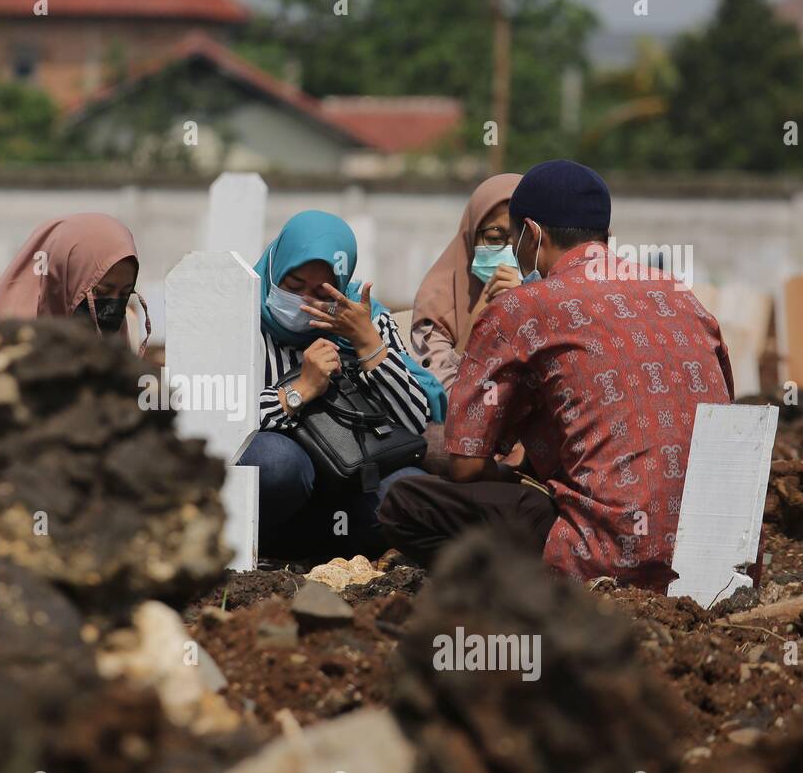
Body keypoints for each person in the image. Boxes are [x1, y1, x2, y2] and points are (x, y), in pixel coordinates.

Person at [379, 160, 735, 590]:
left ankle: (524, 595)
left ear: (531, 234)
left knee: (404, 501)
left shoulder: (520, 308)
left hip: (605, 555)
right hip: (721, 557)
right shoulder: (681, 296)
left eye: (511, 239)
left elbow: (468, 466)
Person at [238, 210, 434, 561]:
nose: (304, 302)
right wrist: (298, 390)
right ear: (273, 270)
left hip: (352, 483)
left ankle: (343, 552)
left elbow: (413, 420)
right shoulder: (238, 316)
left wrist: (367, 345)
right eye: (293, 285)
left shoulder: (366, 317)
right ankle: (267, 549)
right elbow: (217, 420)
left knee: (408, 488)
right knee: (276, 461)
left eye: (321, 291)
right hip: (281, 500)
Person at [409, 173, 522, 394]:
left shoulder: (551, 292)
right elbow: (436, 398)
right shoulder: (438, 301)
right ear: (471, 237)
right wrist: (482, 313)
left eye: (519, 241)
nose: (509, 253)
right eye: (495, 239)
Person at [0, 212, 149, 354]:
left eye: (124, 293)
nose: (114, 307)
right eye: (101, 292)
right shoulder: (5, 345)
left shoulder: (125, 337)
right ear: (61, 281)